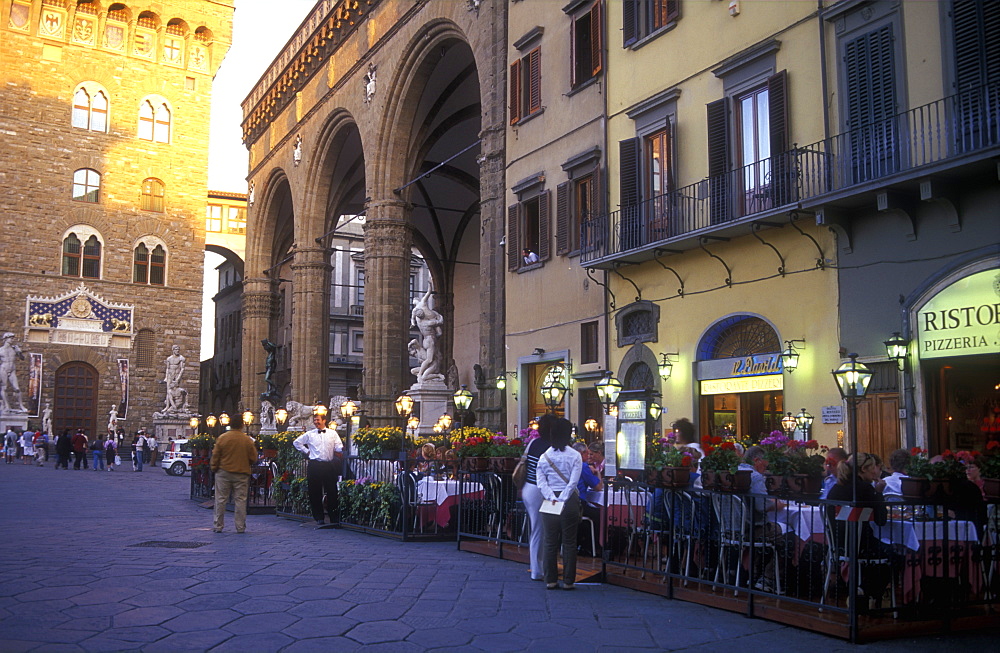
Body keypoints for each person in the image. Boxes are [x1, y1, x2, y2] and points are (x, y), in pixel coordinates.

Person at [825, 453, 900, 608]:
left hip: (838, 545)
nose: (875, 471)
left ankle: (864, 590)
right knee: (896, 554)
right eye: (872, 467)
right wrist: (878, 493)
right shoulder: (864, 489)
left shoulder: (836, 488)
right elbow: (881, 520)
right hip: (862, 546)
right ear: (863, 469)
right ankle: (866, 590)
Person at [535, 417, 583, 590]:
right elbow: (573, 482)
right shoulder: (575, 455)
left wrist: (552, 497)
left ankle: (550, 579)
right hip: (568, 499)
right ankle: (568, 580)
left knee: (550, 541)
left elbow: (541, 481)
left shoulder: (544, 456)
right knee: (569, 542)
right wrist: (563, 497)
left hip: (549, 500)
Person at [293, 411, 344, 527]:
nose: (316, 422)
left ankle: (333, 516)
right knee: (315, 492)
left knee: (332, 491)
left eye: (318, 420)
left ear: (324, 420)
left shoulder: (332, 433)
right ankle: (319, 517)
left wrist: (342, 450)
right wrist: (307, 451)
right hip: (315, 465)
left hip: (329, 465)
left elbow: (339, 446)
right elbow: (296, 442)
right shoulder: (310, 434)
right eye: (314, 420)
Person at [522, 413, 557, 581]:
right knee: (541, 530)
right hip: (542, 491)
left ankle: (541, 566)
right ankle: (538, 569)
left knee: (539, 529)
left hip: (529, 488)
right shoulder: (552, 447)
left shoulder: (534, 443)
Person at [210, 412, 258, 534]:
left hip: (223, 472)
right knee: (240, 500)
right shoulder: (247, 440)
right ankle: (240, 527)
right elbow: (253, 457)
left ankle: (218, 525)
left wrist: (214, 468)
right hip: (241, 473)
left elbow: (215, 455)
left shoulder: (222, 438)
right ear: (242, 425)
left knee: (220, 499)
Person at [409, 283, 445, 383]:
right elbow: (440, 321)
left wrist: (412, 323)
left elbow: (413, 319)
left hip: (426, 340)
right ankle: (423, 375)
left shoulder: (419, 322)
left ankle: (423, 375)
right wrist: (438, 316)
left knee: (427, 361)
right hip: (430, 339)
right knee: (429, 360)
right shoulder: (428, 323)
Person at [573, 443, 603, 556]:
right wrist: (598, 473)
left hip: (566, 502)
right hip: (579, 504)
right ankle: (592, 546)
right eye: (587, 453)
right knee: (600, 514)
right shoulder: (583, 466)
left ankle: (583, 542)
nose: (589, 456)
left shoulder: (570, 463)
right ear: (581, 454)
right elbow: (599, 487)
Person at [0, 332, 27, 412]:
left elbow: (22, 358)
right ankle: (7, 406)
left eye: (12, 338)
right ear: (6, 339)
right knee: (4, 388)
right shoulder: (0, 350)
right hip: (3, 369)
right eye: (11, 338)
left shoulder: (14, 349)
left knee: (17, 388)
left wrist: (19, 352)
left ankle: (21, 406)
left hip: (12, 370)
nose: (12, 340)